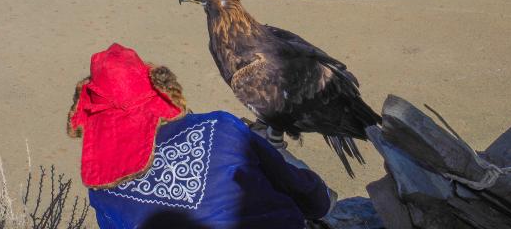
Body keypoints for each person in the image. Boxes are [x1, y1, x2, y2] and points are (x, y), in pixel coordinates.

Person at [67, 44, 333, 229]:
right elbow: (291, 181)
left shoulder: (104, 191)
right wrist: (321, 205)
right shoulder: (221, 125)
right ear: (160, 89)